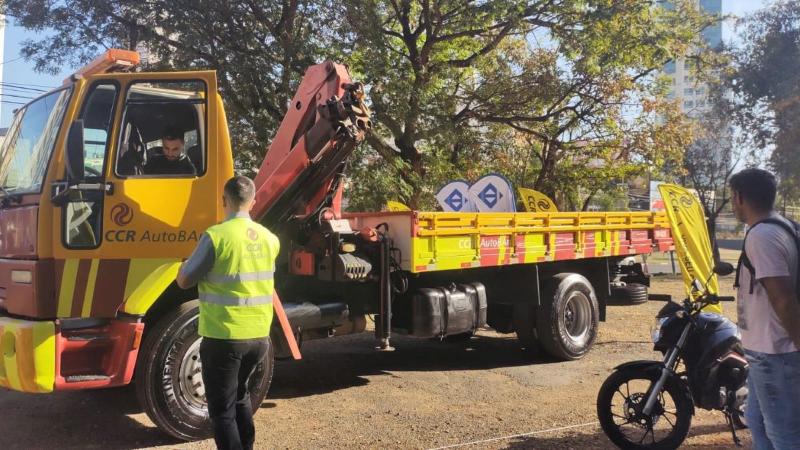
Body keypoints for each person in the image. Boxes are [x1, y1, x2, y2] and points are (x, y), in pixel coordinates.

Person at [176, 175, 280, 450]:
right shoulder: (271, 239)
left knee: (222, 412)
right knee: (241, 396)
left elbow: (185, 279)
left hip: (224, 336)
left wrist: (183, 265)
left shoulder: (217, 236)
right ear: (253, 202)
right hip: (259, 337)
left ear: (224, 201)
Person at [729, 168, 800, 450]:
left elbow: (782, 298)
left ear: (739, 197)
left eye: (732, 197)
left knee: (784, 434)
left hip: (775, 352)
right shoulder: (783, 225)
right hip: (764, 352)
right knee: (756, 421)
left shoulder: (763, 236)